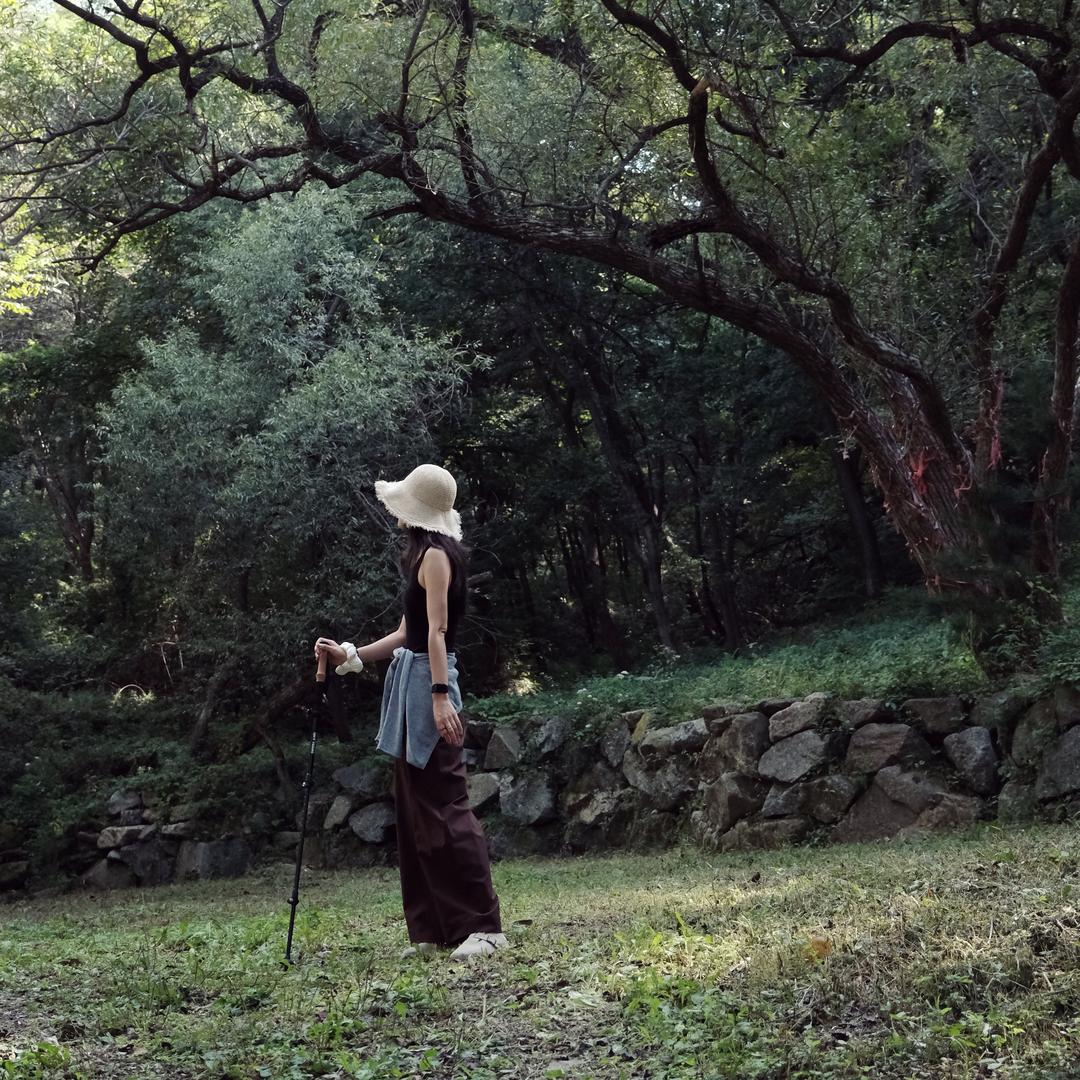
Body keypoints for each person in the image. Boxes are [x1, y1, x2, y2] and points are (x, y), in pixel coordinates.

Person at [314, 463, 506, 962]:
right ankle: (433, 929)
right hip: (411, 685)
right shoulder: (421, 555)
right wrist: (350, 655)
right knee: (415, 811)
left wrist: (441, 696)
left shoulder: (438, 557)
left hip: (430, 686)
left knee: (447, 806)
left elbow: (437, 634)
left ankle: (485, 927)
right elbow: (407, 633)